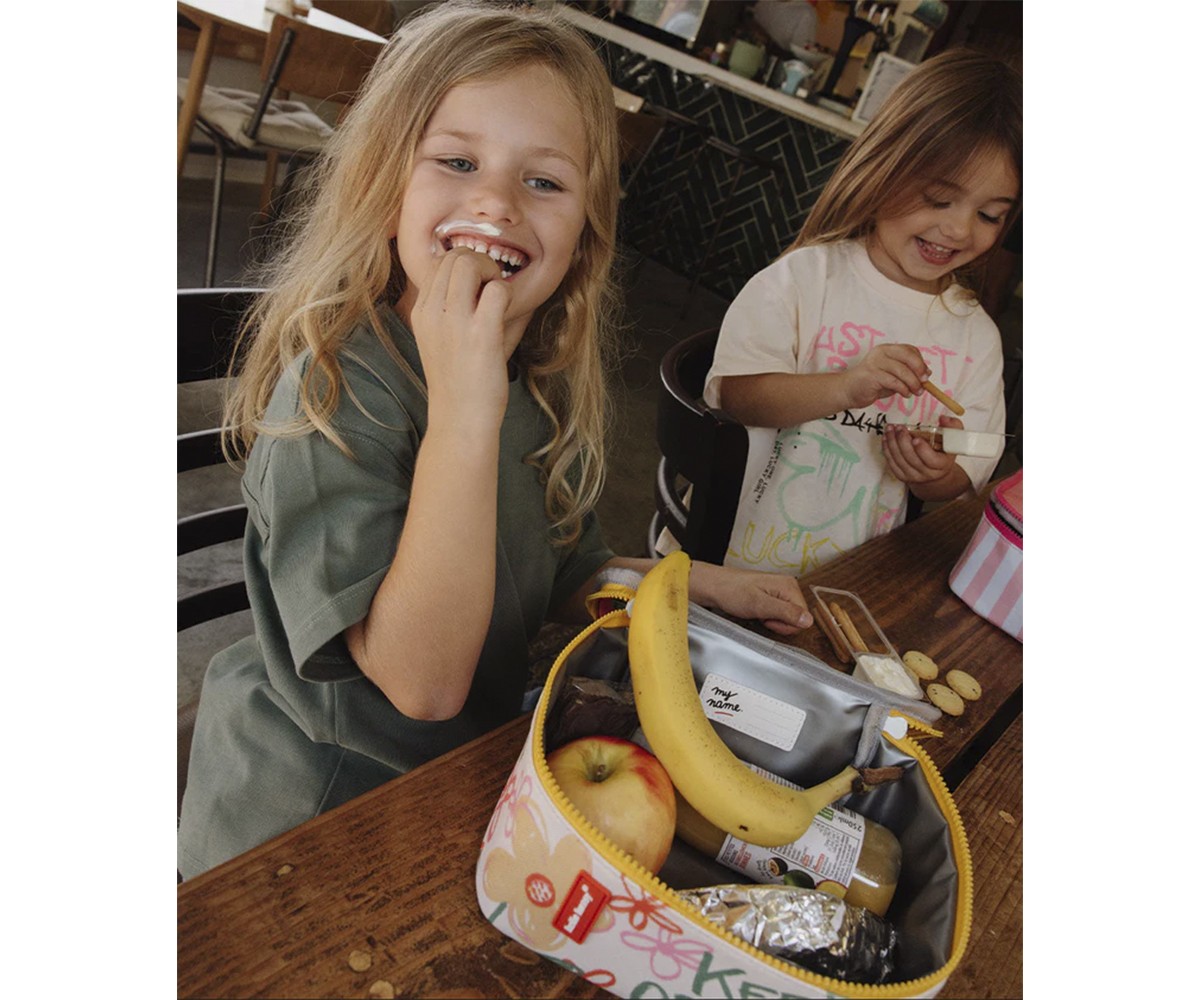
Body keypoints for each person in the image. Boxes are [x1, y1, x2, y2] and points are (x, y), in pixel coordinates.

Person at [178, 0, 812, 880]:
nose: (496, 203)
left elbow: (561, 571)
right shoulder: (336, 392)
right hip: (309, 828)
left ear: (585, 228)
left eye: (544, 182)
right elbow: (423, 684)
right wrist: (464, 404)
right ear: (385, 180)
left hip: (459, 789)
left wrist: (702, 581)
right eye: (458, 161)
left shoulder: (535, 381)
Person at [702, 48, 1021, 575]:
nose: (961, 230)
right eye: (940, 199)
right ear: (883, 169)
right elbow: (737, 396)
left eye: (989, 215)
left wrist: (932, 474)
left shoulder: (975, 338)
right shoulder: (807, 279)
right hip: (727, 563)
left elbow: (973, 461)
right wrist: (846, 387)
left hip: (849, 584)